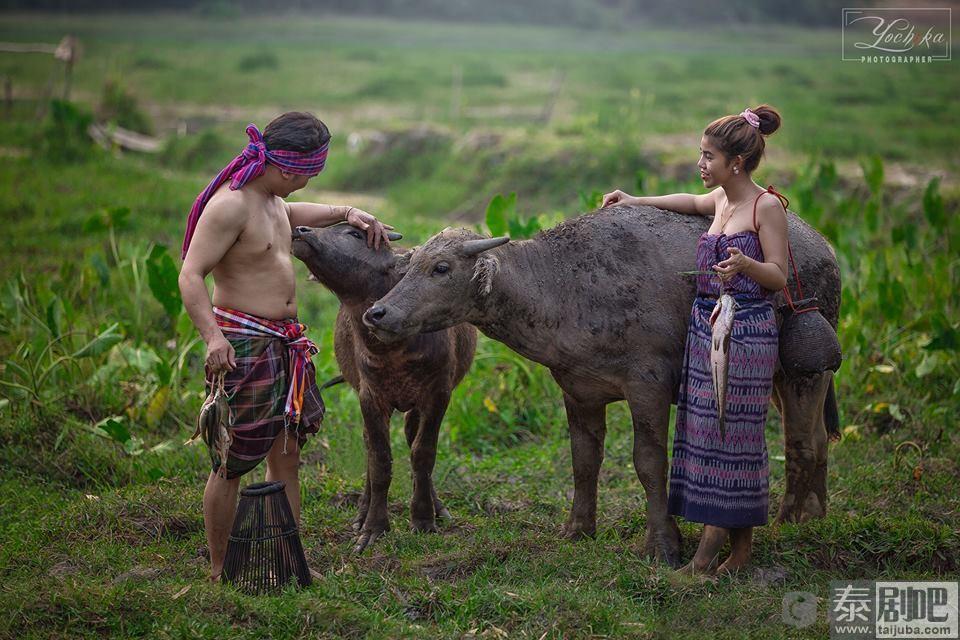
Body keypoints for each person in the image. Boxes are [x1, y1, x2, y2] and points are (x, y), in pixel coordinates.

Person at [178, 112, 393, 581]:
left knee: (287, 457)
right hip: (243, 346)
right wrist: (213, 338)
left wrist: (346, 211)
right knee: (231, 462)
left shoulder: (272, 199)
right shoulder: (230, 206)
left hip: (283, 346)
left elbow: (295, 215)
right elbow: (190, 275)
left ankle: (293, 564)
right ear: (287, 167)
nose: (308, 182)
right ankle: (219, 571)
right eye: (307, 175)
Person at [601, 105, 789, 575]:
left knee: (733, 437)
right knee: (708, 434)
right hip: (708, 326)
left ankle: (707, 557)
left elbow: (779, 276)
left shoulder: (766, 206)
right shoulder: (722, 202)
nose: (701, 164)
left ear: (736, 163)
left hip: (745, 332)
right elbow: (688, 200)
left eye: (708, 157)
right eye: (701, 155)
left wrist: (747, 267)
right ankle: (740, 555)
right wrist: (633, 200)